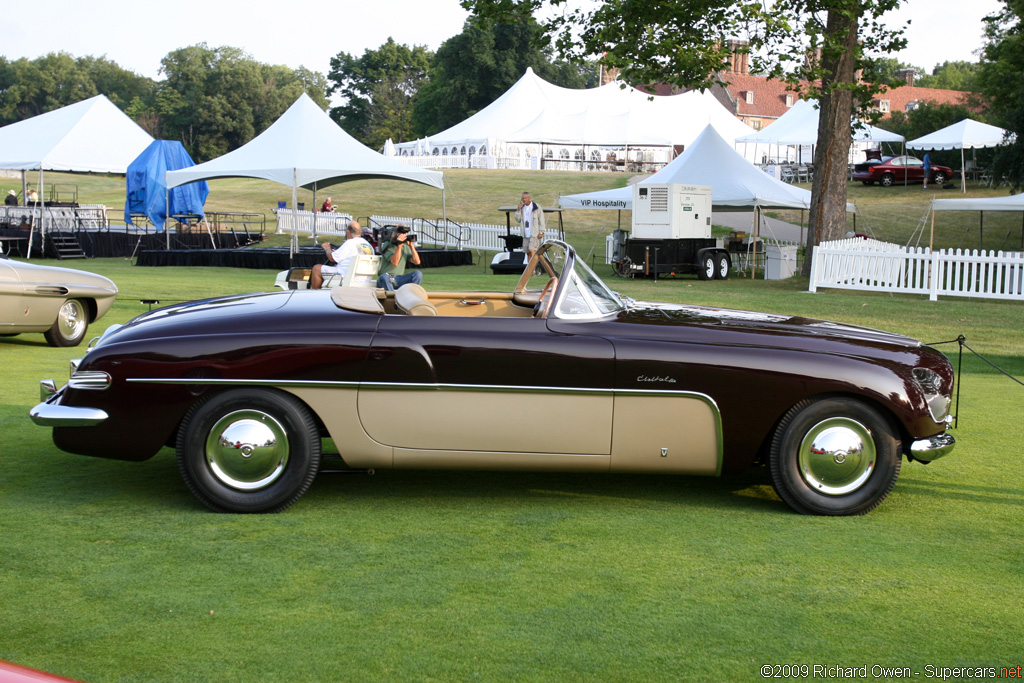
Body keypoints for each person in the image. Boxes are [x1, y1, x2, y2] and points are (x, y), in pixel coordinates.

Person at [310, 220, 373, 289]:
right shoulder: (369, 245)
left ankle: (315, 294)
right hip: (364, 279)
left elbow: (332, 258)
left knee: (316, 269)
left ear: (348, 232)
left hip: (347, 277)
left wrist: (327, 248)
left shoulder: (350, 243)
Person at [376, 224, 423, 291]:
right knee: (384, 277)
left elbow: (417, 262)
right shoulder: (387, 245)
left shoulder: (405, 246)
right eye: (401, 234)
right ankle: (392, 298)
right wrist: (399, 246)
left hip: (399, 279)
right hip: (387, 278)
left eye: (404, 234)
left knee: (418, 274)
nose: (403, 236)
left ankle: (410, 295)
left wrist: (411, 246)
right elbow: (395, 262)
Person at [515, 191, 546, 259]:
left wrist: (541, 232)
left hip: (534, 234)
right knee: (528, 253)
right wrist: (518, 209)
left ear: (529, 198)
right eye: (523, 198)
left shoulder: (536, 207)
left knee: (532, 250)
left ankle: (535, 267)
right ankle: (530, 269)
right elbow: (518, 220)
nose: (524, 200)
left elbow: (541, 220)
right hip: (525, 234)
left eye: (526, 198)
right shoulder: (522, 208)